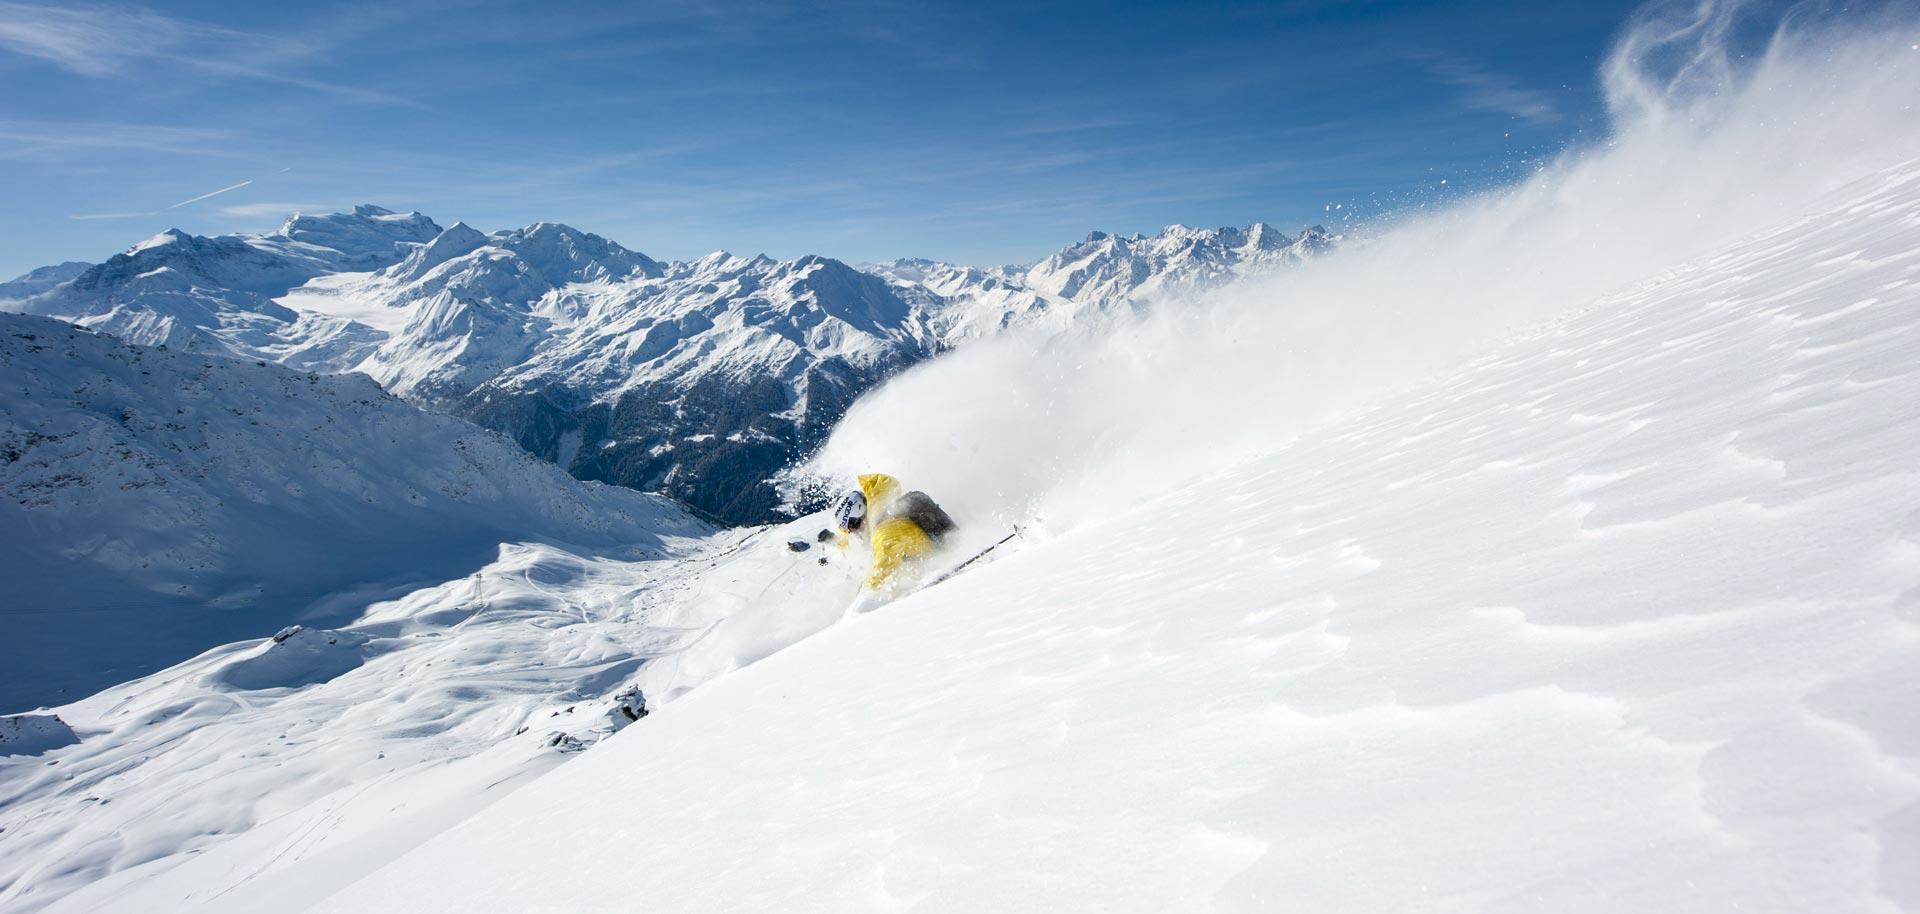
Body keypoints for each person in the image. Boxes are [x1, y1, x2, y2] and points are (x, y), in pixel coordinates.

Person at [828, 473, 956, 599]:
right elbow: (853, 540)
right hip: (928, 549)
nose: (857, 533)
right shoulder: (886, 509)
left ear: (859, 515)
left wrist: (866, 593)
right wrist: (833, 540)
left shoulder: (883, 532)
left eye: (854, 528)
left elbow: (883, 565)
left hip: (944, 555)